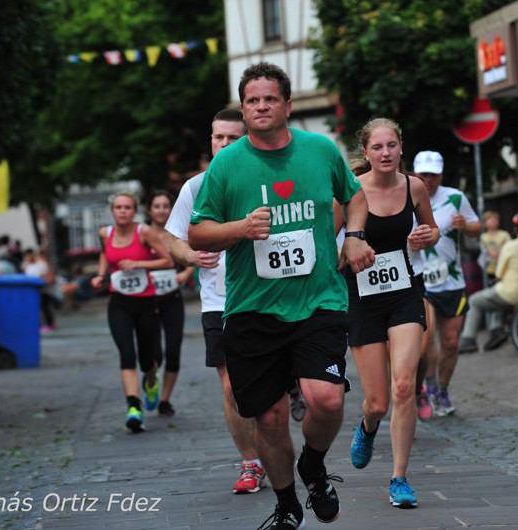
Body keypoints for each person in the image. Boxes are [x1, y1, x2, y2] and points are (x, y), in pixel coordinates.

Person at [188, 62, 374, 530]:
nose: (261, 106)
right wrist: (240, 228)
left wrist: (353, 236)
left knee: (327, 400)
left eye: (270, 98)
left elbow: (354, 196)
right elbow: (198, 233)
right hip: (253, 309)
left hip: (318, 301)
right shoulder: (227, 165)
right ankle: (288, 501)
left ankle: (312, 465)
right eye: (253, 100)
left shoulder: (319, 150)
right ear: (244, 108)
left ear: (287, 106)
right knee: (269, 418)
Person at [337, 119, 438, 509]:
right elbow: (329, 252)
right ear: (366, 153)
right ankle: (367, 425)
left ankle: (399, 477)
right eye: (377, 147)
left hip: (403, 295)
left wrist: (428, 235)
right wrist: (347, 252)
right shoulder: (349, 193)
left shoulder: (414, 186)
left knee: (403, 386)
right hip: (361, 300)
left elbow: (432, 230)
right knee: (378, 401)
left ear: (400, 147)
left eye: (391, 145)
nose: (385, 153)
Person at [166, 108, 268, 495]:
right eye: (217, 137)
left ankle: (276, 445)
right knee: (230, 387)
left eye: (232, 138)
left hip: (268, 295)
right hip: (218, 300)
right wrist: (189, 255)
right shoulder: (195, 187)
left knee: (268, 386)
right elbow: (173, 237)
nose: (224, 144)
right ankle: (250, 462)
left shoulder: (264, 181)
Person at [90, 191, 173, 433]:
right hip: (119, 303)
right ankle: (133, 407)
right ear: (113, 211)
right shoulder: (105, 233)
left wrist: (139, 264)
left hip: (146, 303)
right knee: (126, 354)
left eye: (127, 207)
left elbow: (167, 261)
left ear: (134, 211)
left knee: (147, 359)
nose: (123, 211)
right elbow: (105, 254)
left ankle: (150, 382)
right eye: (118, 207)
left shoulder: (144, 232)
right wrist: (101, 275)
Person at [412, 150, 481, 419]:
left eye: (432, 174)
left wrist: (465, 225)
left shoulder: (455, 197)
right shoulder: (407, 197)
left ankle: (441, 390)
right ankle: (426, 388)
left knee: (451, 342)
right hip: (421, 281)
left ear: (440, 174)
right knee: (426, 342)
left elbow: (477, 227)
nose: (427, 179)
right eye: (423, 174)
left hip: (450, 281)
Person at [145, 190, 193, 418]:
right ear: (149, 210)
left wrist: (186, 274)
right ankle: (151, 379)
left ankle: (164, 400)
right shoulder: (143, 234)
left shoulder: (178, 232)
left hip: (172, 298)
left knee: (173, 351)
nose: (162, 210)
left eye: (165, 206)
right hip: (147, 299)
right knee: (155, 355)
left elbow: (195, 255)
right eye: (157, 206)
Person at [458, 214, 518, 353]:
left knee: (475, 300)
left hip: (510, 291)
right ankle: (496, 330)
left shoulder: (511, 245)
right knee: (493, 298)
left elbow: (499, 273)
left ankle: (469, 339)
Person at [23, 248, 56, 332]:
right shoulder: (29, 265)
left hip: (43, 289)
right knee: (39, 307)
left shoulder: (41, 263)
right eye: (26, 256)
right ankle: (42, 324)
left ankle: (49, 324)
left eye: (29, 256)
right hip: (34, 289)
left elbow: (44, 276)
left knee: (44, 307)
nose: (28, 258)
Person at [478, 210, 510, 283]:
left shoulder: (504, 234)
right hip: (489, 269)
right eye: (490, 220)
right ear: (485, 223)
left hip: (503, 268)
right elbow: (483, 251)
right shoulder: (483, 237)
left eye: (495, 219)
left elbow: (509, 248)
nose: (493, 221)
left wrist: (500, 256)